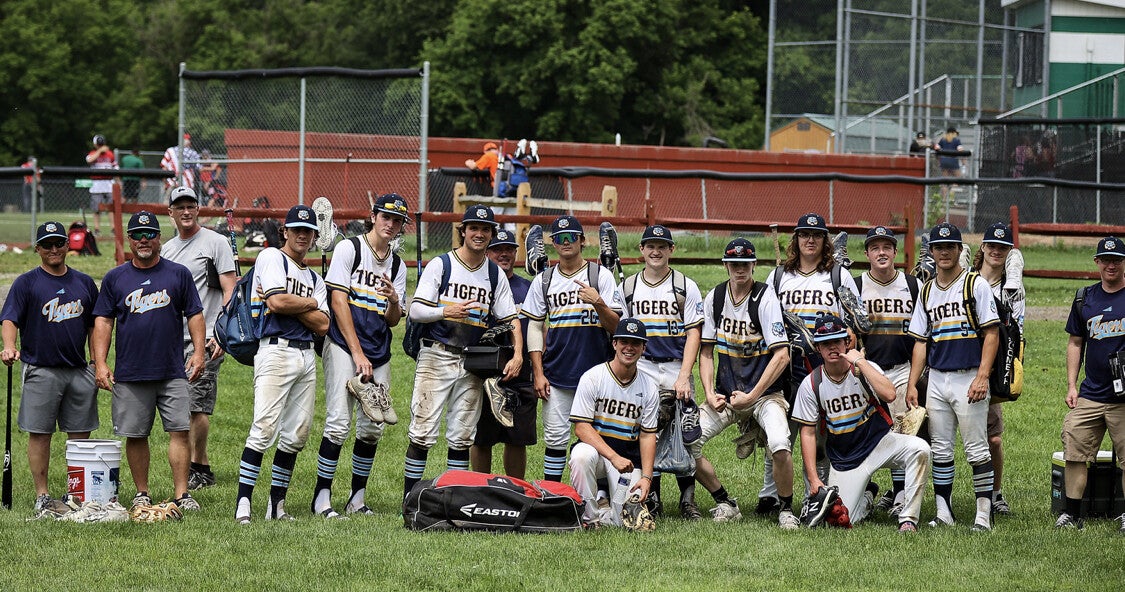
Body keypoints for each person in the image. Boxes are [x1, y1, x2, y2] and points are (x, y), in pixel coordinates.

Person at [402, 205, 523, 499]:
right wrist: (446, 311)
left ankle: (452, 498)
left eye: (485, 230)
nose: (479, 234)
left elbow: (511, 319)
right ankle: (410, 497)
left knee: (462, 434)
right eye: (473, 228)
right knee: (422, 430)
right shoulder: (442, 265)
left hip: (472, 360)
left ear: (491, 234)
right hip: (437, 353)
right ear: (463, 232)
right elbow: (416, 310)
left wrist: (518, 353)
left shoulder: (494, 274)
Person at [91, 211, 205, 512]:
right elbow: (103, 322)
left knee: (180, 430)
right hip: (131, 371)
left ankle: (182, 494)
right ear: (129, 240)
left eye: (149, 234)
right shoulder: (116, 277)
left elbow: (194, 313)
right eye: (137, 235)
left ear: (159, 238)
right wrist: (100, 363)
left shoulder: (178, 274)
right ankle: (142, 492)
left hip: (171, 369)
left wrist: (198, 352)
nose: (144, 240)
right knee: (136, 434)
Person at [758, 212, 863, 515]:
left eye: (816, 236)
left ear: (824, 241)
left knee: (820, 430)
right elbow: (766, 314)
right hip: (787, 361)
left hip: (822, 361)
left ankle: (817, 491)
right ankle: (770, 493)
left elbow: (854, 321)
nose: (810, 240)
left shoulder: (837, 275)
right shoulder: (780, 276)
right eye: (804, 235)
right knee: (780, 429)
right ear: (796, 239)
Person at [312, 194, 408, 517]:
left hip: (378, 351)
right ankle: (321, 497)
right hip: (343, 344)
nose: (390, 225)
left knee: (373, 427)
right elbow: (338, 301)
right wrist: (356, 353)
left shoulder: (398, 266)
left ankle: (356, 498)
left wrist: (395, 300)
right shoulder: (349, 249)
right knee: (339, 423)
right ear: (373, 216)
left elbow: (393, 320)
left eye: (397, 221)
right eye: (386, 217)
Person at [234, 205, 330, 523]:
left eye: (308, 231)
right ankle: (243, 502)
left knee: (297, 435)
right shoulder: (272, 257)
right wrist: (307, 302)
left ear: (315, 236)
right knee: (263, 429)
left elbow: (323, 325)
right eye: (296, 229)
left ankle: (276, 505)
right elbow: (276, 302)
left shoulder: (315, 277)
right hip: (275, 351)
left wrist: (293, 302)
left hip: (305, 356)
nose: (302, 235)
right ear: (284, 232)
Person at [792, 315, 931, 531]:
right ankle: (868, 495)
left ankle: (908, 519)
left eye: (837, 341)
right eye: (825, 344)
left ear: (847, 343)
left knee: (920, 449)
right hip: (846, 458)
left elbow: (889, 394)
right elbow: (808, 434)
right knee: (842, 521)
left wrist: (860, 362)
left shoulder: (864, 368)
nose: (832, 348)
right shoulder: (811, 384)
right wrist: (813, 480)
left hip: (879, 443)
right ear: (818, 349)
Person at [694, 238, 795, 527]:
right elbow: (706, 351)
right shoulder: (714, 297)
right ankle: (725, 502)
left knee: (780, 444)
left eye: (746, 264)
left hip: (764, 395)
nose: (740, 269)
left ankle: (786, 508)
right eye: (734, 264)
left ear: (754, 265)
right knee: (688, 444)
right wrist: (710, 393)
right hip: (727, 395)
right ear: (726, 265)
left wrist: (752, 396)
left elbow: (782, 356)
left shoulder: (764, 298)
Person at [1, 222, 100, 515]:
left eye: (59, 243)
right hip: (40, 369)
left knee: (80, 434)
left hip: (78, 369)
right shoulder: (26, 282)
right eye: (47, 245)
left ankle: (76, 493)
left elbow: (96, 325)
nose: (54, 249)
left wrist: (97, 362)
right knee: (40, 433)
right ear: (37, 249)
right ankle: (42, 495)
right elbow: (9, 319)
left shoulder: (84, 282)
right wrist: (9, 345)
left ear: (68, 245)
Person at [906, 222, 999, 532]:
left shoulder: (976, 284)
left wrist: (983, 376)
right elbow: (921, 341)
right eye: (938, 247)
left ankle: (983, 515)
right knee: (941, 449)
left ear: (960, 250)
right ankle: (944, 512)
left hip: (969, 375)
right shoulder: (927, 289)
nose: (944, 252)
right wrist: (912, 384)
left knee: (977, 449)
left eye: (950, 247)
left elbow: (991, 333)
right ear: (931, 252)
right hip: (938, 379)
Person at [522, 215, 621, 482]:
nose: (565, 243)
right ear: (553, 243)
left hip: (598, 373)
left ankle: (600, 495)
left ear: (581, 241)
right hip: (557, 373)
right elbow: (534, 326)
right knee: (555, 438)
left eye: (571, 237)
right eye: (559, 238)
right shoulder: (543, 280)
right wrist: (538, 372)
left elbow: (617, 326)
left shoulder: (601, 276)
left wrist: (598, 302)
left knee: (599, 438)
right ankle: (552, 494)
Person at [615, 224, 704, 519]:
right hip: (644, 366)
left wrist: (683, 376)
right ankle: (652, 496)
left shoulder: (684, 285)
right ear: (641, 250)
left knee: (683, 433)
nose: (656, 251)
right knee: (647, 430)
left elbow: (694, 332)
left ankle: (688, 499)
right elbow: (622, 334)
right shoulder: (628, 287)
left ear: (671, 250)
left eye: (662, 246)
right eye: (650, 246)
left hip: (676, 365)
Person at [160, 187, 237, 491]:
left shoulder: (215, 243)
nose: (186, 212)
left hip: (206, 336)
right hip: (172, 337)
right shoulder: (166, 249)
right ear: (171, 213)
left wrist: (221, 331)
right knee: (180, 403)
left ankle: (198, 466)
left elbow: (231, 288)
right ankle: (199, 463)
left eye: (191, 206)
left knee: (197, 404)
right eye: (180, 207)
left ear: (199, 210)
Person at [1056, 237, 1125, 532]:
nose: (1111, 265)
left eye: (1117, 260)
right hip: (1091, 394)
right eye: (1106, 260)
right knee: (1074, 451)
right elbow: (1075, 342)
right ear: (1096, 262)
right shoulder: (1085, 297)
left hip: (1124, 398)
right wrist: (1072, 385)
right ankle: (1072, 514)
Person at [568, 317, 659, 528]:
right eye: (624, 341)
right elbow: (581, 427)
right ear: (614, 343)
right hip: (598, 454)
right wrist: (613, 457)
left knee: (626, 523)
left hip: (627, 463)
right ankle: (590, 519)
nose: (629, 347)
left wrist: (646, 477)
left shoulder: (649, 388)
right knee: (581, 456)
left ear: (643, 347)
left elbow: (647, 435)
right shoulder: (593, 378)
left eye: (635, 343)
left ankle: (607, 512)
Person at [856, 226, 920, 515]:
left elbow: (922, 334)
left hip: (902, 368)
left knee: (902, 431)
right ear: (867, 253)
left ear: (895, 252)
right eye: (875, 247)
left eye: (887, 247)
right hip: (867, 370)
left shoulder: (912, 285)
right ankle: (861, 491)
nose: (881, 252)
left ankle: (900, 495)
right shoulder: (857, 285)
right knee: (862, 429)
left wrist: (915, 380)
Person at [470, 229, 537, 479]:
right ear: (487, 252)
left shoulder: (528, 288)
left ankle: (515, 488)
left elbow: (538, 328)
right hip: (486, 365)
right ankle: (481, 486)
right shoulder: (480, 284)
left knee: (517, 436)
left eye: (509, 249)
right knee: (482, 435)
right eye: (498, 249)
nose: (504, 254)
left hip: (521, 367)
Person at [970, 222, 1024, 516]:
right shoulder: (967, 279)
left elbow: (1016, 331)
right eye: (991, 245)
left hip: (993, 366)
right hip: (963, 359)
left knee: (993, 437)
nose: (996, 251)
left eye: (1002, 247)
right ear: (983, 247)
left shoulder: (1011, 287)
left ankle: (996, 492)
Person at [85, 135, 117, 236]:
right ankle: (97, 229)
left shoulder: (110, 154)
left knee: (111, 208)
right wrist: (99, 151)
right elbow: (89, 160)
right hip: (96, 184)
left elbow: (116, 167)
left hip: (108, 183)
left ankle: (113, 229)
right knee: (96, 208)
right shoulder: (93, 153)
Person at [934, 127, 966, 202]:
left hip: (944, 161)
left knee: (945, 181)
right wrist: (964, 161)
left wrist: (939, 159)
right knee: (958, 179)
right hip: (953, 161)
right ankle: (951, 196)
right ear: (954, 133)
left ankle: (944, 199)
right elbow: (961, 150)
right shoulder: (956, 140)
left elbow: (936, 148)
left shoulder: (943, 139)